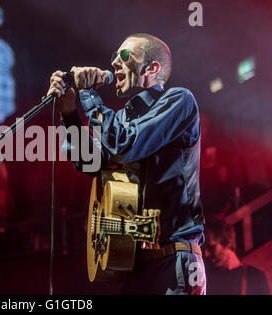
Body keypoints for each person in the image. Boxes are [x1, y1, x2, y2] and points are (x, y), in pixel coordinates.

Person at [47, 33, 206, 294]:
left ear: (152, 68)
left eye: (124, 56)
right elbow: (91, 164)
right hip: (135, 268)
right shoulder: (121, 120)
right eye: (113, 57)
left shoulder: (180, 100)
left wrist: (87, 93)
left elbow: (125, 146)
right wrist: (69, 113)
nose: (114, 63)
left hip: (175, 263)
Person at [204, 217, 270, 295]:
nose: (206, 253)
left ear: (226, 242)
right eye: (204, 248)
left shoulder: (256, 278)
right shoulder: (204, 280)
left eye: (211, 247)